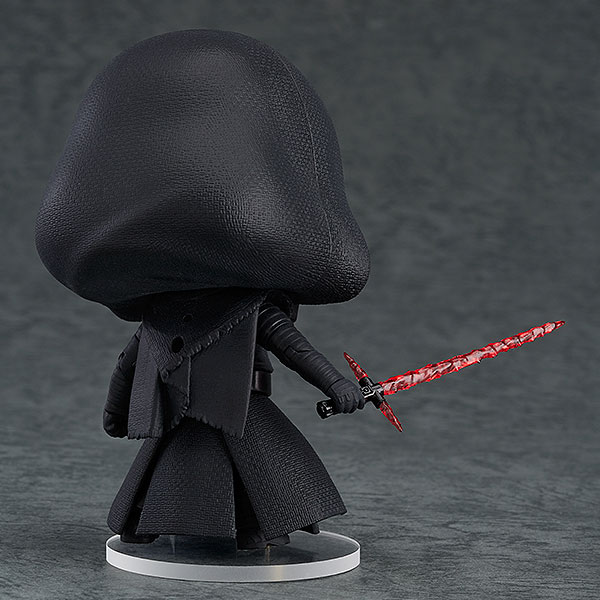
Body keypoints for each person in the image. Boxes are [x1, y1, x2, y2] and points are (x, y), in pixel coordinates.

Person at [35, 30, 370, 549]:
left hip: (236, 408)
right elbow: (129, 363)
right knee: (196, 474)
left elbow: (294, 350)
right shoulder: (163, 313)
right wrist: (115, 411)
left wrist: (337, 385)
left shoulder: (247, 309)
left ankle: (251, 528)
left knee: (258, 475)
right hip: (177, 411)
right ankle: (207, 526)